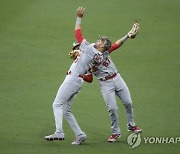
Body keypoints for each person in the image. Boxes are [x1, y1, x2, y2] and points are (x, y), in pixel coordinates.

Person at [44, 7, 112, 145]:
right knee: (66, 110)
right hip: (78, 80)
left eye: (101, 41)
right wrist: (78, 53)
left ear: (103, 47)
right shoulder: (98, 54)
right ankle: (80, 135)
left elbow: (78, 35)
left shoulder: (91, 50)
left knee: (57, 104)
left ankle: (59, 131)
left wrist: (79, 17)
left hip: (73, 79)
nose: (98, 40)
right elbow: (89, 57)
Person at [69, 21, 142, 142]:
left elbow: (116, 45)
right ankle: (115, 132)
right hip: (105, 84)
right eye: (77, 47)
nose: (78, 48)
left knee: (128, 102)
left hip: (117, 78)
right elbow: (90, 79)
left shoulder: (103, 51)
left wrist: (127, 36)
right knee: (112, 108)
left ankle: (131, 125)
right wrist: (80, 74)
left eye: (78, 47)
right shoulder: (85, 61)